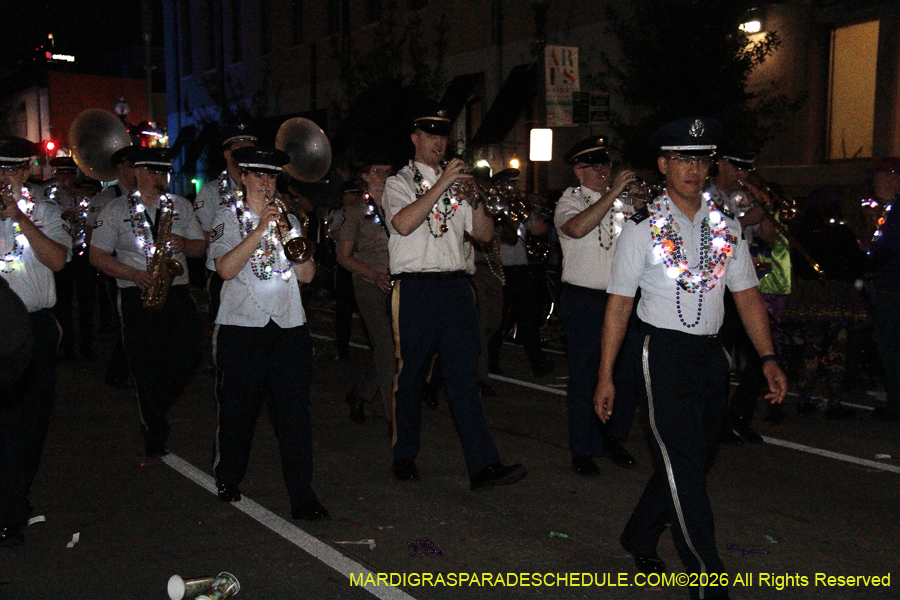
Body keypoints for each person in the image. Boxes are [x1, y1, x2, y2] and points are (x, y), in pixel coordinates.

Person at [594, 118, 786, 600]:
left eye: (700, 159)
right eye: (682, 159)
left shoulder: (726, 228)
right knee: (682, 462)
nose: (693, 169)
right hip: (661, 352)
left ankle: (639, 534)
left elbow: (746, 295)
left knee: (693, 461)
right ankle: (708, 576)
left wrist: (767, 357)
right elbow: (618, 304)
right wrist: (606, 376)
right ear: (663, 165)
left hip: (710, 354)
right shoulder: (641, 228)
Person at [383, 107, 526, 491]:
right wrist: (442, 184)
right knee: (411, 376)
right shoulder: (398, 183)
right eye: (430, 135)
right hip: (415, 288)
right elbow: (403, 223)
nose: (438, 143)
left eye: (443, 137)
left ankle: (484, 465)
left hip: (456, 287)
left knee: (464, 379)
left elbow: (482, 235)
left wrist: (475, 198)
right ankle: (404, 454)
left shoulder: (456, 184)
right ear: (415, 138)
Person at [208, 146, 327, 521]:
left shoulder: (288, 221)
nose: (265, 183)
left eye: (272, 176)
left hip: (288, 327)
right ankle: (228, 476)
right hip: (242, 328)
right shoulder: (226, 217)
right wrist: (260, 229)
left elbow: (307, 275)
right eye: (258, 175)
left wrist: (291, 238)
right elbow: (225, 269)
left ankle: (302, 495)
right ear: (243, 177)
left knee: (294, 416)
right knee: (238, 412)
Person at [90, 147, 205, 457]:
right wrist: (133, 274)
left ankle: (155, 405)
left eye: (163, 173)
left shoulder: (179, 205)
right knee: (144, 363)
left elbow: (200, 247)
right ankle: (153, 429)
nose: (159, 179)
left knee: (190, 353)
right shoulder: (114, 210)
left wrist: (185, 244)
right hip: (136, 292)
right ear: (137, 173)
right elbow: (97, 256)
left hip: (176, 290)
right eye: (152, 172)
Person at [554, 136, 639, 476]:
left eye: (607, 165)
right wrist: (614, 193)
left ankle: (613, 436)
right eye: (597, 166)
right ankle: (583, 447)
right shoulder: (569, 200)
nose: (605, 170)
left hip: (622, 298)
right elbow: (576, 228)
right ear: (579, 170)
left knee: (626, 371)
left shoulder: (623, 202)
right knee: (586, 374)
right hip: (584, 299)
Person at [0, 136, 70, 546]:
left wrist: (20, 220)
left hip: (35, 327)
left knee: (31, 422)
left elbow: (58, 260)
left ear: (26, 171)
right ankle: (8, 511)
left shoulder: (43, 211)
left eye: (12, 169)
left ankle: (15, 497)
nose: (5, 178)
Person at [708, 144, 791, 439]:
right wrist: (746, 220)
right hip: (715, 287)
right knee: (719, 360)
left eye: (746, 169)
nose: (742, 174)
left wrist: (766, 211)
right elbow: (707, 237)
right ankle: (716, 421)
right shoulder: (705, 195)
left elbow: (768, 237)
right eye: (737, 167)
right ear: (721, 165)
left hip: (745, 286)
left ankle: (739, 416)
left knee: (760, 355)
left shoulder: (745, 196)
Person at [337, 155, 396, 428]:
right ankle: (393, 416)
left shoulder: (399, 204)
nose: (383, 175)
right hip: (369, 284)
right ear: (365, 176)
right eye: (377, 170)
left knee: (397, 348)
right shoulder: (357, 210)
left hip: (399, 283)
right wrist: (374, 275)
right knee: (385, 347)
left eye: (387, 171)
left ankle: (361, 394)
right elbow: (344, 257)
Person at [487, 168, 554, 379]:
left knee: (527, 320)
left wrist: (532, 210)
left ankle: (538, 364)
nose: (513, 188)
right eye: (508, 184)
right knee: (498, 320)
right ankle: (490, 363)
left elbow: (539, 230)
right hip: (499, 269)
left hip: (520, 269)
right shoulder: (494, 207)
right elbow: (505, 237)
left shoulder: (519, 207)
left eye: (514, 184)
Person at [194, 123, 257, 322]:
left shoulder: (262, 189)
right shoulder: (211, 191)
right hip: (225, 272)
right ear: (228, 155)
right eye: (242, 151)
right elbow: (205, 235)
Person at [91, 145, 138, 390]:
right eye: (131, 166)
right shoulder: (108, 198)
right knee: (126, 322)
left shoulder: (148, 194)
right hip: (116, 266)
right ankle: (118, 370)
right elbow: (94, 234)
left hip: (141, 266)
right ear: (120, 168)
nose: (136, 171)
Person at [49, 157, 98, 360]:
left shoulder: (82, 194)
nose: (66, 178)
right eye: (62, 174)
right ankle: (67, 345)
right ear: (56, 175)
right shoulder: (50, 196)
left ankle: (86, 344)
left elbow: (93, 218)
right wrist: (63, 214)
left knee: (87, 300)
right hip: (62, 252)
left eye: (69, 173)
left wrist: (83, 203)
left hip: (82, 250)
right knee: (63, 302)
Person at [864, 157, 900, 421]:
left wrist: (868, 260)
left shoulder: (896, 210)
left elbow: (889, 248)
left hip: (892, 284)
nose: (874, 184)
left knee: (890, 345)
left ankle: (896, 402)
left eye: (878, 177)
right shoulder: (891, 209)